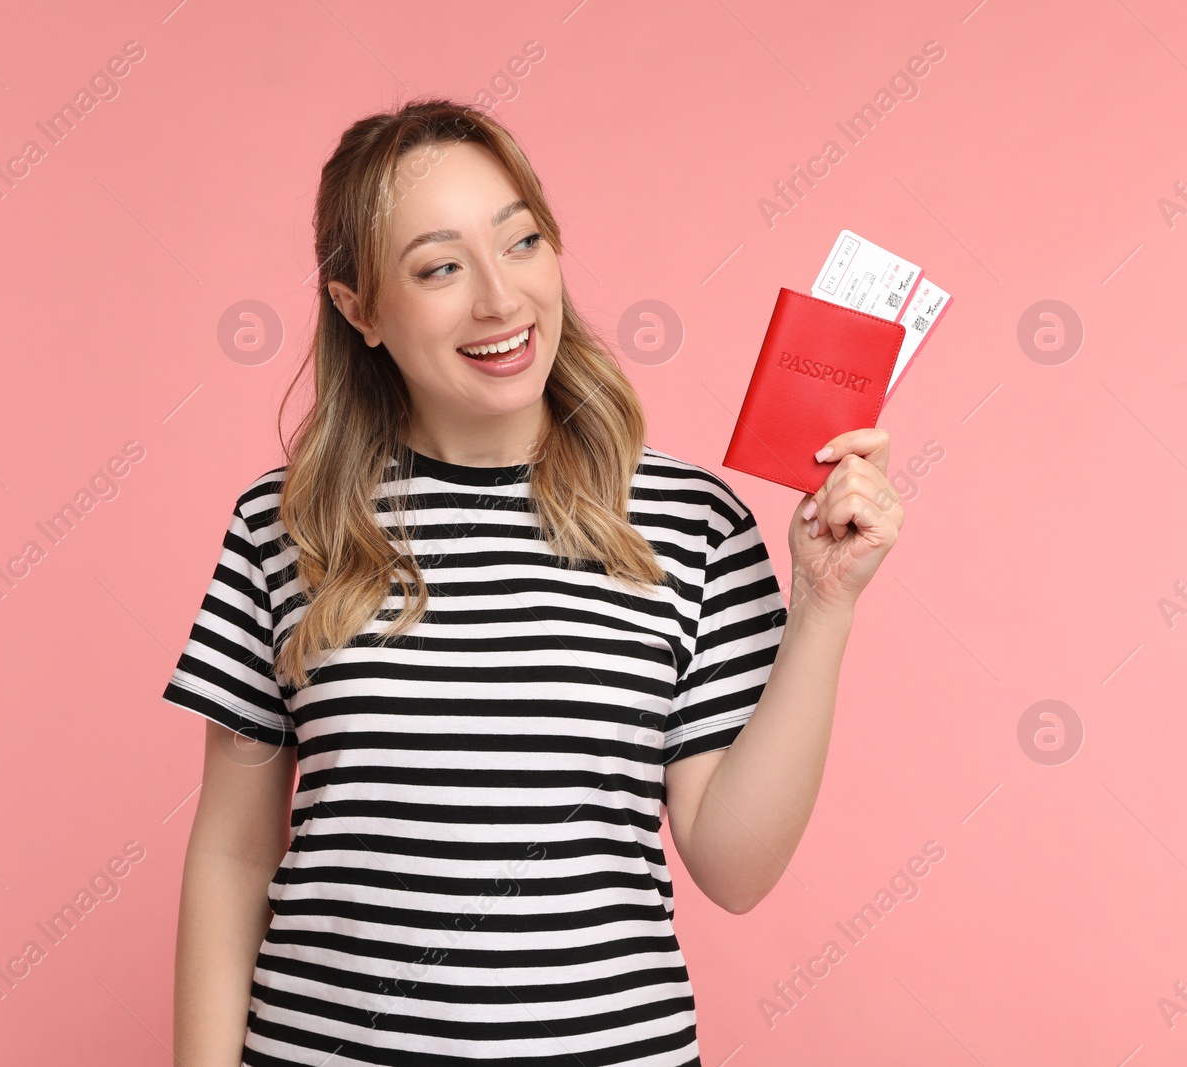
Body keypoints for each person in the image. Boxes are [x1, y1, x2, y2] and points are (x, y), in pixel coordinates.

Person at [168, 98, 904, 1066]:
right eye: (438, 266)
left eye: (520, 242)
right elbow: (231, 853)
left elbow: (733, 866)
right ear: (358, 309)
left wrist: (823, 604)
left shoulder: (693, 524)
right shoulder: (283, 522)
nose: (499, 299)